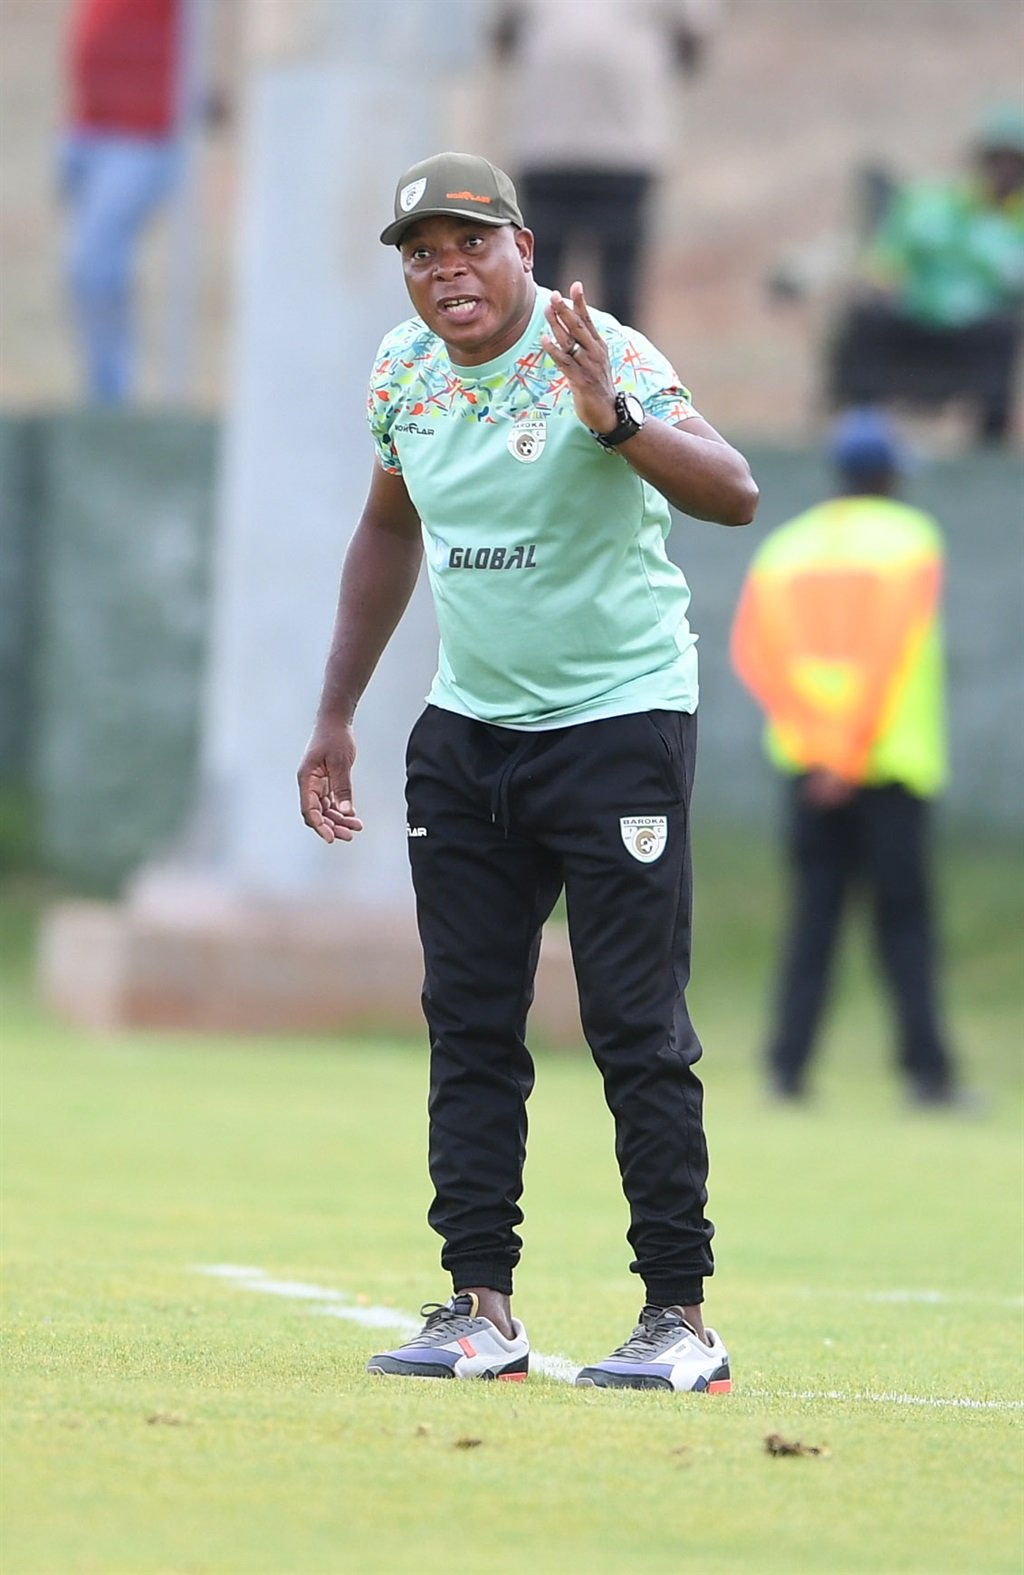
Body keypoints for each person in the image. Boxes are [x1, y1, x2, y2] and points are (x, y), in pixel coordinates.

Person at [297, 151, 757, 1389]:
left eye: (469, 245)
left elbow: (733, 491)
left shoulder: (592, 348)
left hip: (616, 728)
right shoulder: (402, 372)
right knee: (470, 1023)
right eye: (421, 253)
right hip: (468, 737)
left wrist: (614, 416)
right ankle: (479, 1309)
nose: (446, 271)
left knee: (633, 1028)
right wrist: (336, 711)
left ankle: (680, 1321)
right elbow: (388, 527)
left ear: (523, 249)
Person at [731, 408, 967, 1108]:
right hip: (887, 764)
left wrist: (821, 750)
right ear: (891, 476)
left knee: (813, 920)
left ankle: (786, 1069)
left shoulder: (786, 548)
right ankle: (927, 1076)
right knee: (905, 924)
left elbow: (756, 655)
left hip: (808, 768)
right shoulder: (912, 541)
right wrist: (850, 750)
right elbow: (888, 654)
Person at [490, 0, 718, 329]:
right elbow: (693, 39)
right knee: (544, 287)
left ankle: (613, 376)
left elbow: (503, 36)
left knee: (574, 285)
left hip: (582, 141)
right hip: (596, 140)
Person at [827, 105, 1024, 444]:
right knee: (865, 319)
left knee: (1003, 334)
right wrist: (881, 284)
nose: (1005, 170)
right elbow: (887, 260)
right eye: (997, 159)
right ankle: (860, 431)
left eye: (1015, 161)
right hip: (916, 315)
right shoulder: (932, 205)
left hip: (982, 330)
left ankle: (989, 448)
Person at [59, 0, 183, 403]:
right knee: (83, 273)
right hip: (87, 126)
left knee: (95, 266)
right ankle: (101, 391)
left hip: (142, 134)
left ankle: (110, 399)